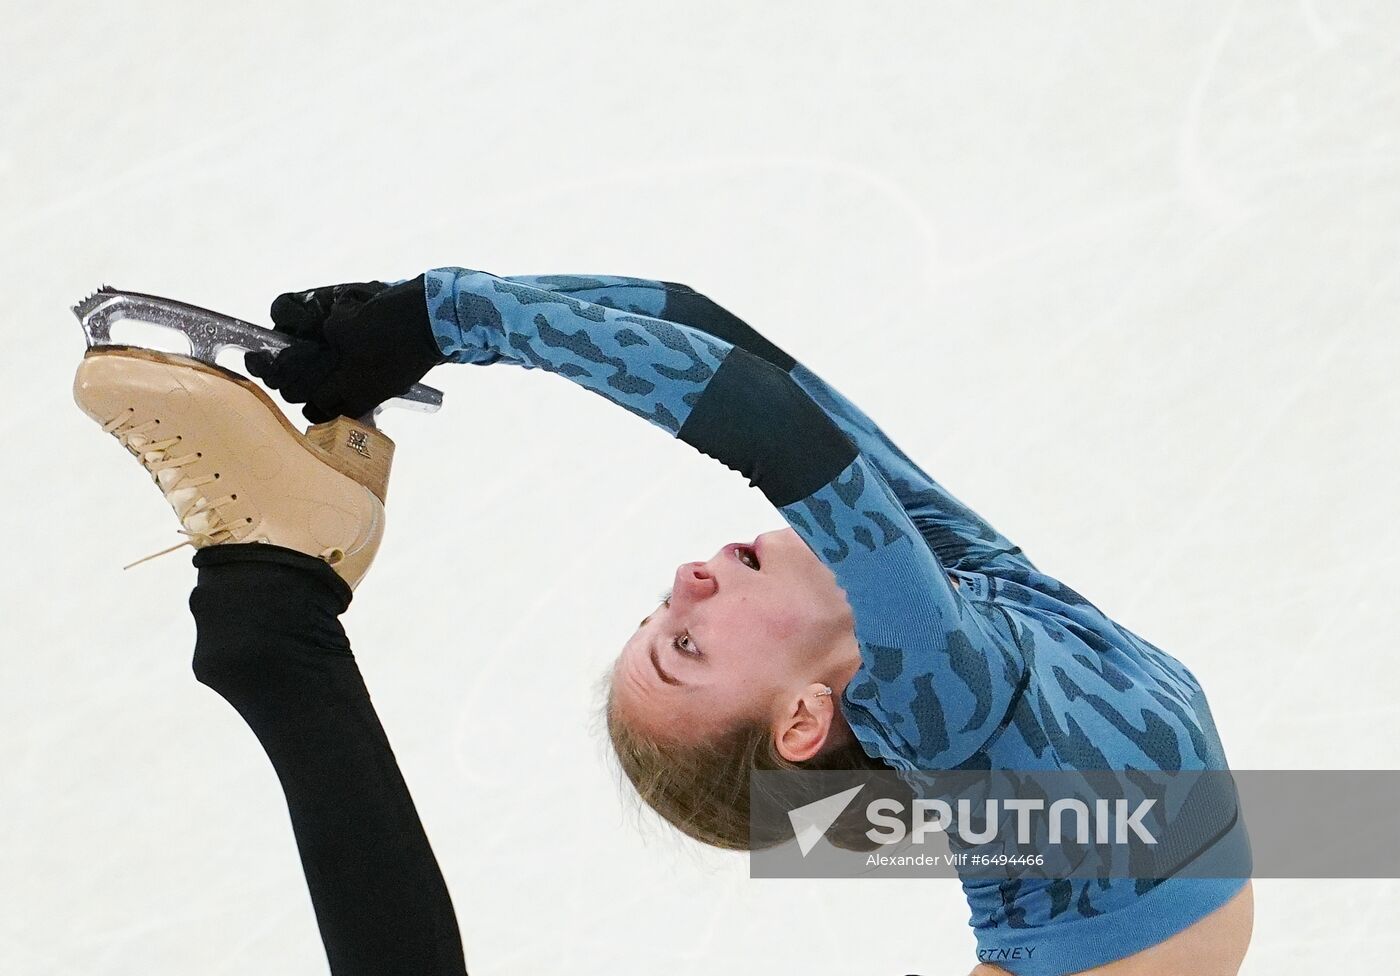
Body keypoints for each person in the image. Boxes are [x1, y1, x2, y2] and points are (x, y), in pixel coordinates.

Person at [76, 269, 1253, 976]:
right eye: (682, 647)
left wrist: (414, 309)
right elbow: (766, 432)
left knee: (1319, 818)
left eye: (662, 618)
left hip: (1092, 863)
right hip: (1084, 865)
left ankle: (271, 603)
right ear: (805, 716)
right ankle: (272, 615)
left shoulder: (970, 574)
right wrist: (445, 312)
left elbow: (714, 337)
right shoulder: (940, 687)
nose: (686, 580)